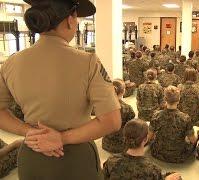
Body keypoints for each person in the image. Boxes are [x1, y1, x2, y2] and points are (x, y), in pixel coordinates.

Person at [0, 1, 122, 179]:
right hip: (75, 158)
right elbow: (112, 121)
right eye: (77, 16)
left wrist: (29, 132)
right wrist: (61, 139)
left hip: (32, 154)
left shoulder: (11, 63)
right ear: (69, 20)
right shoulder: (88, 62)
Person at [103, 119, 182, 180]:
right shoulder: (151, 169)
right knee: (176, 176)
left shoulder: (111, 161)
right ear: (145, 139)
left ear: (124, 137)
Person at [149, 86, 197, 163]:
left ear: (165, 99)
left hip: (158, 153)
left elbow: (149, 137)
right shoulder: (185, 118)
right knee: (196, 133)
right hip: (178, 155)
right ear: (179, 100)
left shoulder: (156, 115)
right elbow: (193, 140)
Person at [102, 80, 135, 153]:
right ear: (123, 91)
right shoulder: (127, 108)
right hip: (120, 146)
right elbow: (131, 127)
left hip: (106, 143)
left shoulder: (102, 105)